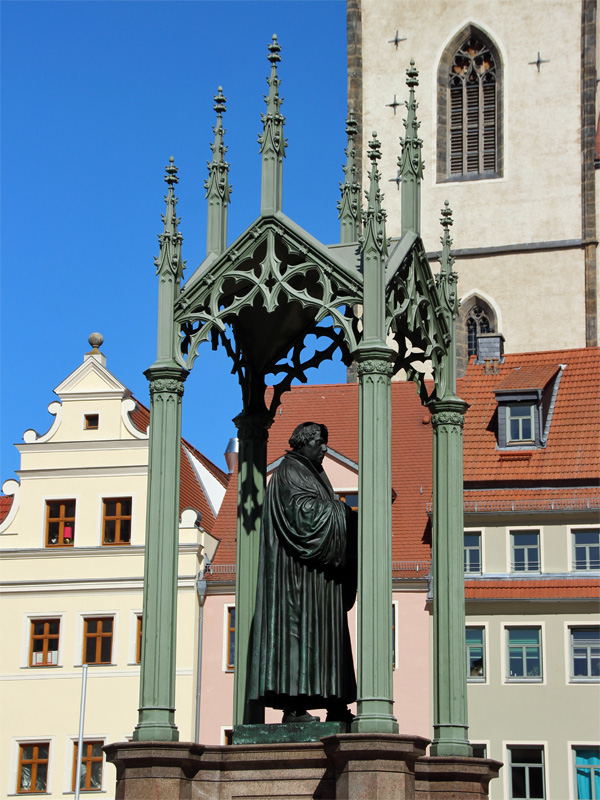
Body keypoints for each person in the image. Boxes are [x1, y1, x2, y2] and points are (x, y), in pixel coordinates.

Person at [249, 421, 357, 723]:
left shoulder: (309, 472)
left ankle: (335, 703)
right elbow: (302, 518)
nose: (324, 448)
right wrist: (343, 513)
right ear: (303, 442)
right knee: (300, 640)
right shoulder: (289, 472)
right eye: (320, 442)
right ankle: (294, 707)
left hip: (319, 579)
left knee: (327, 641)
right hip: (298, 581)